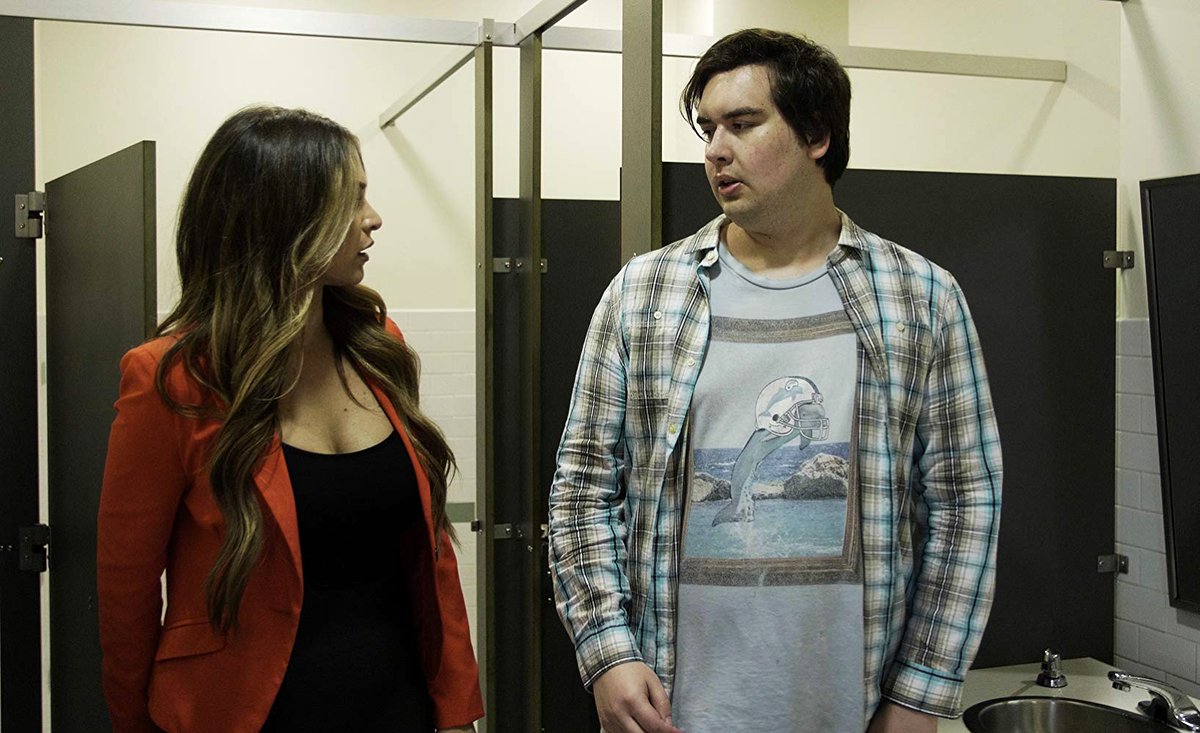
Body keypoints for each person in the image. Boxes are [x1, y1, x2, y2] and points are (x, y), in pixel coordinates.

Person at [548, 29, 1002, 733]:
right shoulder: (644, 294)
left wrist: (921, 691)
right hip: (673, 706)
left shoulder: (921, 298)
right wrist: (606, 651)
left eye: (742, 123)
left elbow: (966, 500)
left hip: (853, 706)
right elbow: (582, 486)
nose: (715, 149)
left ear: (816, 134)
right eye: (708, 128)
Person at [97, 106, 483, 733]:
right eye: (352, 198)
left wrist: (457, 709)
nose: (373, 217)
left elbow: (430, 554)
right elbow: (126, 591)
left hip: (396, 705)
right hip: (239, 712)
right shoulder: (172, 378)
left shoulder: (376, 345)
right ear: (286, 217)